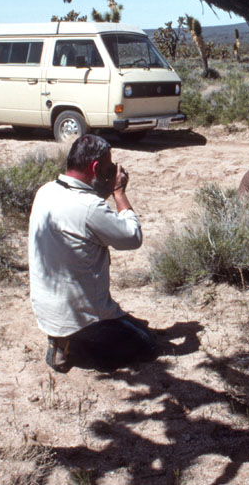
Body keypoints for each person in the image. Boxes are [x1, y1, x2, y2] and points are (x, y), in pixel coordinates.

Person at [28, 134, 158, 372]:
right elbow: (132, 238)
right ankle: (78, 347)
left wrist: (105, 190)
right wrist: (118, 193)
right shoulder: (90, 208)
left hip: (48, 312)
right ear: (95, 167)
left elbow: (85, 213)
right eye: (108, 167)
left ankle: (60, 340)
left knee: (139, 325)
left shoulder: (45, 191)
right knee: (148, 344)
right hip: (85, 319)